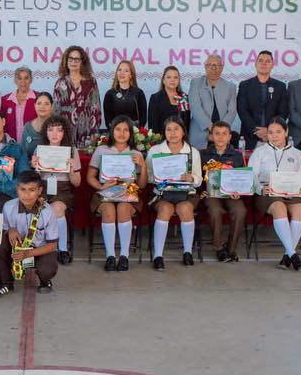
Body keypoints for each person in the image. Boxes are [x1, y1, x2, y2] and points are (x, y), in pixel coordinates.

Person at [249, 117, 301, 270]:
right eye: (270, 132)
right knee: (279, 207)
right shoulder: (259, 152)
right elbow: (251, 176)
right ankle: (293, 254)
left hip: (292, 193)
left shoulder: (297, 153)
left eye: (278, 132)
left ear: (286, 132)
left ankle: (287, 255)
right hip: (268, 193)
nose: (274, 136)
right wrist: (260, 188)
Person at [0, 171, 61, 296]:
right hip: (17, 248)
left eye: (32, 190)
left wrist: (27, 254)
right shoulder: (8, 206)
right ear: (17, 189)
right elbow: (3, 230)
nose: (26, 195)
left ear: (39, 190)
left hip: (38, 250)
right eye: (23, 189)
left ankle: (45, 281)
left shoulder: (48, 212)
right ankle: (6, 282)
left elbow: (53, 245)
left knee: (47, 267)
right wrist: (10, 230)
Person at [88, 115, 145, 271]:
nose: (122, 133)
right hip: (105, 192)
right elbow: (90, 177)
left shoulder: (135, 153)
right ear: (112, 131)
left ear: (130, 133)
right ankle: (110, 256)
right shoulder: (101, 150)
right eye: (118, 129)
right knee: (108, 210)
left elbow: (141, 185)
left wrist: (143, 166)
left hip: (128, 193)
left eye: (126, 130)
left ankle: (124, 256)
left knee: (123, 208)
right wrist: (101, 186)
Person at [144, 117, 203, 270]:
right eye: (168, 129)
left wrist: (191, 178)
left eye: (176, 129)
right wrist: (158, 177)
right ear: (164, 133)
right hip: (162, 193)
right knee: (165, 209)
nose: (173, 133)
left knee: (185, 208)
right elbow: (148, 176)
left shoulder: (193, 151)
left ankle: (187, 253)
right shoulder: (155, 150)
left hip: (187, 193)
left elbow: (199, 180)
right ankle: (158, 256)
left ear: (183, 132)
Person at [30, 114, 82, 263]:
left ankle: (62, 249)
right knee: (36, 209)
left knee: (56, 209)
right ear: (45, 132)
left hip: (63, 190)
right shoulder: (39, 150)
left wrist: (71, 170)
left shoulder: (71, 150)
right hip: (42, 188)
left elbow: (77, 183)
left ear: (64, 133)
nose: (54, 134)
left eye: (59, 130)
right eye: (51, 129)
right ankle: (40, 247)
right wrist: (35, 167)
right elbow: (34, 180)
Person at [200, 121, 247, 263]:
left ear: (230, 137)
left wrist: (239, 192)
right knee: (215, 210)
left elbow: (241, 178)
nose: (220, 137)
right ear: (211, 136)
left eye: (224, 134)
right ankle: (219, 247)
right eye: (217, 133)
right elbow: (198, 177)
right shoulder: (203, 154)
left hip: (231, 194)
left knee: (240, 211)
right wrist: (201, 191)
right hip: (211, 194)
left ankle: (231, 249)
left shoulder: (237, 155)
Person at [53, 45, 102, 147]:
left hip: (87, 130)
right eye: (70, 59)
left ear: (82, 62)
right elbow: (56, 111)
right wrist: (57, 131)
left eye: (77, 59)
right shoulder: (60, 83)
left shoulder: (91, 82)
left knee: (85, 156)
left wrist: (94, 132)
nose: (73, 62)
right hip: (66, 129)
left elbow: (96, 108)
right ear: (66, 61)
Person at [237, 50, 289, 147]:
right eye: (260, 60)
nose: (264, 64)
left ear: (272, 65)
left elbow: (283, 112)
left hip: (274, 137)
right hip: (249, 137)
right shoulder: (245, 85)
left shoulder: (280, 86)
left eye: (268, 61)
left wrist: (269, 130)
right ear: (255, 64)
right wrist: (255, 130)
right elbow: (242, 110)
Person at [189, 53, 239, 150]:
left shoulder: (230, 86)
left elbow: (232, 111)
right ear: (205, 67)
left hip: (222, 136)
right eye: (210, 65)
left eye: (217, 65)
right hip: (199, 134)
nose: (214, 68)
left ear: (222, 68)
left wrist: (220, 131)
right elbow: (195, 107)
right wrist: (211, 128)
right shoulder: (196, 83)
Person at [147, 66, 192, 137]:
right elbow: (152, 124)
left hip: (180, 139)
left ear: (179, 81)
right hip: (162, 139)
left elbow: (186, 122)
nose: (172, 80)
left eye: (175, 77)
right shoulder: (155, 98)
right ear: (163, 81)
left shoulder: (184, 97)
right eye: (169, 77)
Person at [103, 60, 147, 129]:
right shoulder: (110, 94)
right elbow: (108, 120)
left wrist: (137, 132)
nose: (122, 73)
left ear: (131, 75)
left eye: (126, 71)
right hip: (116, 131)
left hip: (134, 131)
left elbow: (143, 117)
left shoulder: (138, 93)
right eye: (119, 70)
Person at [2, 66, 37, 143]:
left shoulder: (38, 98)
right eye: (19, 78)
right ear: (15, 80)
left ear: (31, 80)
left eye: (26, 78)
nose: (23, 81)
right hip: (11, 145)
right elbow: (2, 126)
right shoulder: (5, 100)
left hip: (33, 145)